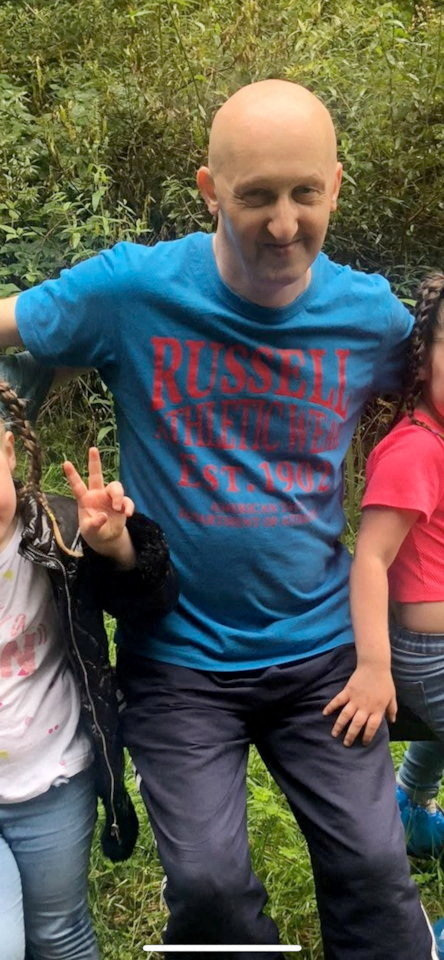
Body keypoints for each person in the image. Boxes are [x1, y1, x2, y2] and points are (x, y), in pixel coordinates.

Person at [0, 80, 437, 958]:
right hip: (177, 662)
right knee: (207, 889)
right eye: (256, 196)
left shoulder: (368, 318)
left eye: (305, 193)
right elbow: (10, 328)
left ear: (336, 187)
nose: (284, 224)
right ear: (209, 190)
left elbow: (433, 391)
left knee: (378, 878)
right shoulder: (132, 291)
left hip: (320, 654)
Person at [0, 381, 177, 960]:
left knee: (59, 930)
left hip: (51, 776)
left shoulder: (58, 533)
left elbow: (147, 606)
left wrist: (117, 547)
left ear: (7, 452)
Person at [343, 274, 444, 857]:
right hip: (425, 655)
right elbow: (372, 559)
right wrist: (374, 666)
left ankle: (412, 805)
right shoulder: (417, 449)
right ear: (423, 362)